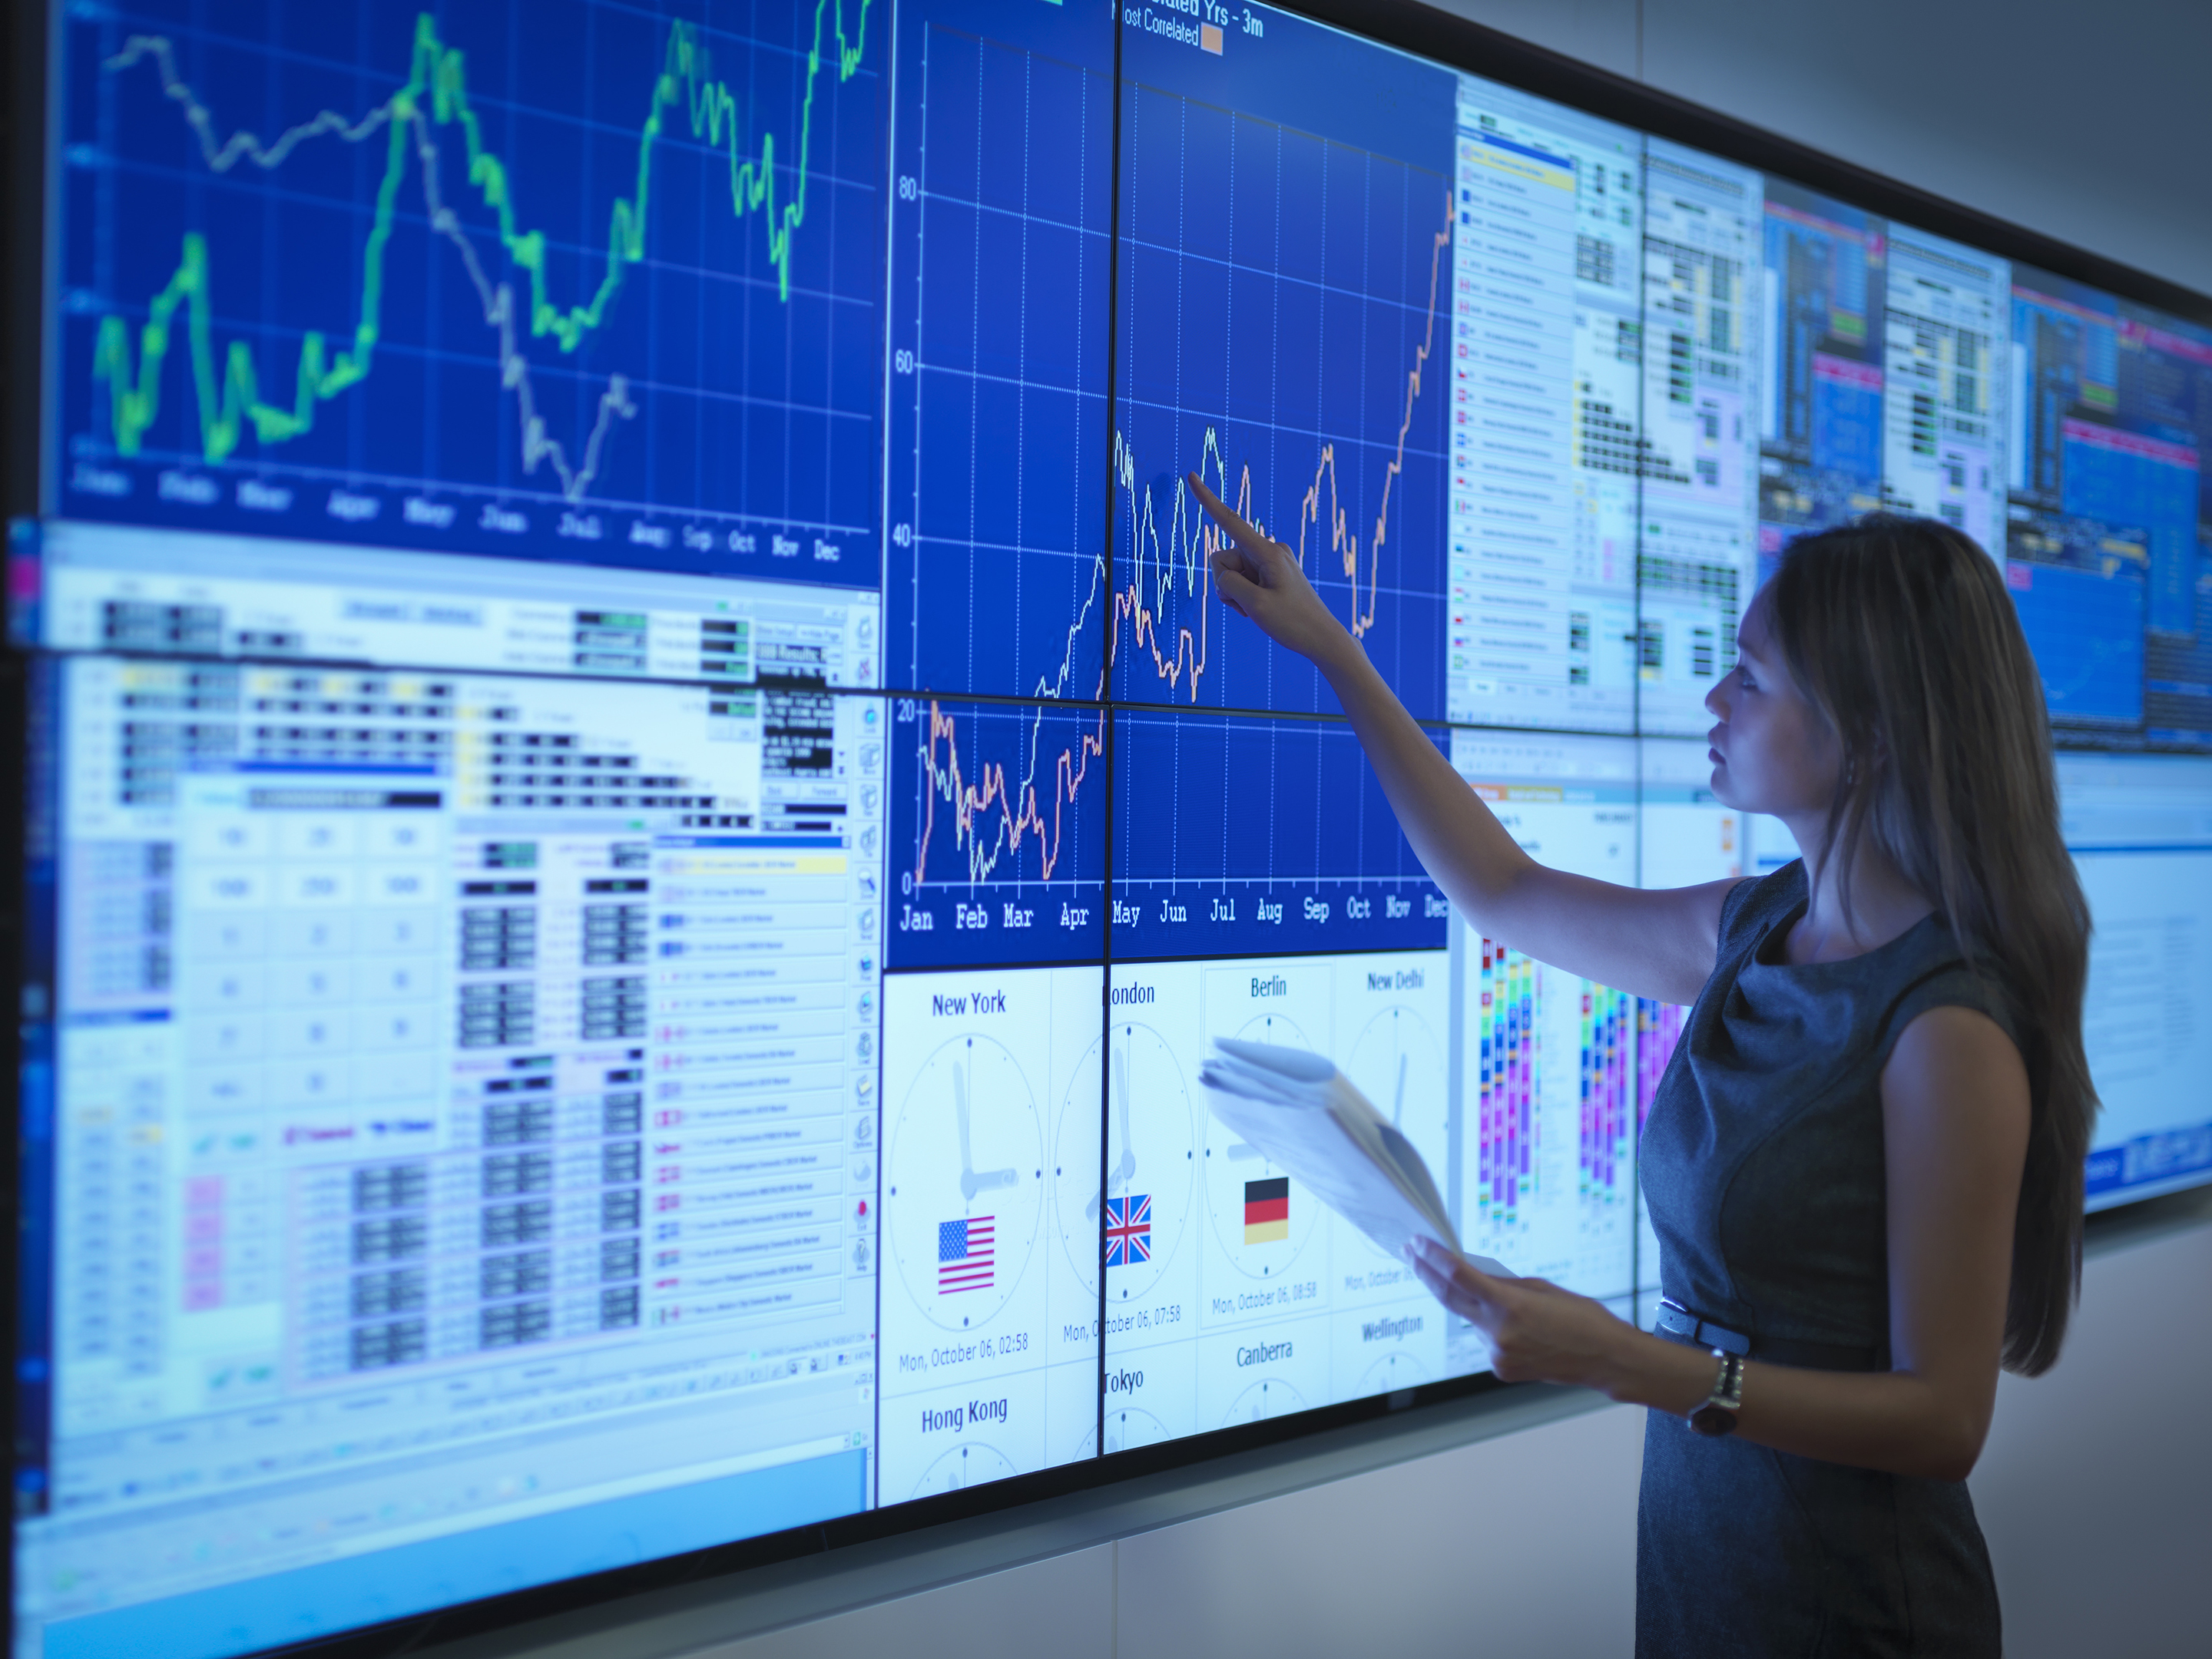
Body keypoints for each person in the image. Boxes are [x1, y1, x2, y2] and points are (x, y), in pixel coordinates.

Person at [1187, 478, 2095, 1657]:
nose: (1716, 696)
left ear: (1864, 737)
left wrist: (1632, 1362)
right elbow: (1503, 893)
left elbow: (1944, 1418)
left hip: (1859, 1611)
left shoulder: (1946, 1030)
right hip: (1707, 1569)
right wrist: (1334, 653)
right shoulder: (1761, 926)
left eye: (1753, 678)